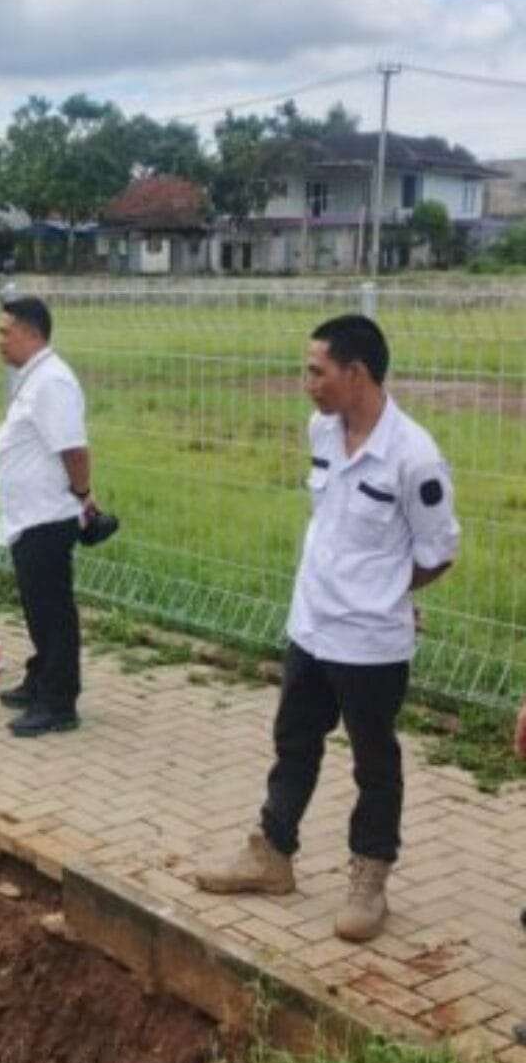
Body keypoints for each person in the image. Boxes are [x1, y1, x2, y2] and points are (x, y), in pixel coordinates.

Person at [196, 314, 460, 942]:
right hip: (310, 624)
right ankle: (272, 852)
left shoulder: (414, 458)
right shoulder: (321, 429)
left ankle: (370, 878)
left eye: (317, 371)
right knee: (294, 739)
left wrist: (389, 592)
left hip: (369, 641)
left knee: (374, 760)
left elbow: (439, 551)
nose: (305, 382)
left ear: (357, 374)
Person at [0, 297, 97, 737]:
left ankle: (59, 702)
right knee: (38, 608)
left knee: (52, 611)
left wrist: (83, 495)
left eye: (5, 331)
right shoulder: (33, 378)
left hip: (47, 516)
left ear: (31, 333)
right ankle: (41, 678)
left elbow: (73, 448)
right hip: (28, 515)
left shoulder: (51, 381)